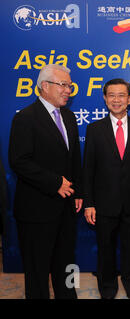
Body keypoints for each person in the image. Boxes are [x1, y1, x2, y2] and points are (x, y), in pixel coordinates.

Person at [8, 64, 82, 299]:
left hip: (67, 209)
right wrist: (55, 183)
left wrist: (78, 192)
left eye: (69, 86)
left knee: (67, 264)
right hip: (36, 210)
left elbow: (74, 160)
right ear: (45, 86)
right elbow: (19, 161)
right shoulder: (25, 118)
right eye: (63, 85)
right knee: (37, 271)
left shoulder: (69, 117)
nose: (68, 90)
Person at [82, 78, 130, 299]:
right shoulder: (94, 129)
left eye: (121, 95)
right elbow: (88, 170)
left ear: (129, 99)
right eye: (111, 95)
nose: (116, 100)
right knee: (105, 248)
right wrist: (89, 203)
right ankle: (107, 287)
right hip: (104, 204)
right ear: (105, 98)